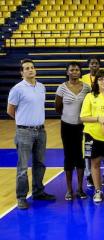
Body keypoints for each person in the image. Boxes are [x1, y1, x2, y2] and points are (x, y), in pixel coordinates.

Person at [7, 59, 55, 210]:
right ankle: (21, 197)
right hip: (24, 131)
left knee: (39, 164)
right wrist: (23, 122)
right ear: (22, 72)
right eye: (27, 68)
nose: (30, 70)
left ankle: (38, 192)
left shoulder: (41, 87)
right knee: (22, 167)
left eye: (32, 67)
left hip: (41, 130)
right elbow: (10, 110)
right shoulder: (17, 89)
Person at [80, 70, 104, 203]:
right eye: (100, 79)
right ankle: (98, 191)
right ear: (96, 82)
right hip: (93, 134)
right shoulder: (90, 97)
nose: (103, 82)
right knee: (95, 163)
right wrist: (98, 119)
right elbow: (83, 117)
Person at [55, 62, 91, 200]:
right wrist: (68, 117)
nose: (75, 71)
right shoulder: (62, 88)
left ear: (80, 72)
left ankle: (80, 189)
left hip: (82, 127)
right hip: (67, 127)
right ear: (67, 72)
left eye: (77, 69)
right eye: (72, 70)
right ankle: (69, 190)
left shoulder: (86, 88)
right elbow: (57, 107)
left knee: (80, 157)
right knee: (69, 157)